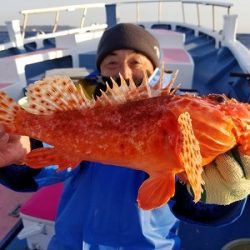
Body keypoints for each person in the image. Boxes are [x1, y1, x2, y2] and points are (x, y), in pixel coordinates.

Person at [0, 23, 249, 250]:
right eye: (112, 62)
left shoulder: (175, 113)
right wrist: (25, 149)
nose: (124, 73)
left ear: (154, 69)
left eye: (136, 62)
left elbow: (198, 207)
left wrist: (222, 195)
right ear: (99, 69)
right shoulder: (86, 106)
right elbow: (52, 165)